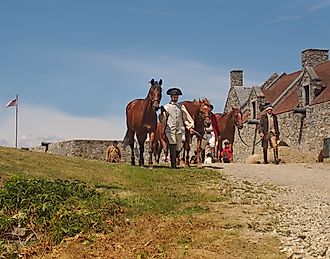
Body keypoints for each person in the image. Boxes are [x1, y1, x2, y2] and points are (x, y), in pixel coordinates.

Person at [159, 88, 195, 169]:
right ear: (171, 97)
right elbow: (163, 120)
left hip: (180, 130)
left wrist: (190, 127)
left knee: (179, 146)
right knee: (172, 144)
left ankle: (175, 157)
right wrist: (161, 114)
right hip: (170, 130)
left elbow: (186, 117)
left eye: (177, 96)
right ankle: (173, 164)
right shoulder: (166, 107)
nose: (176, 98)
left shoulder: (181, 107)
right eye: (174, 96)